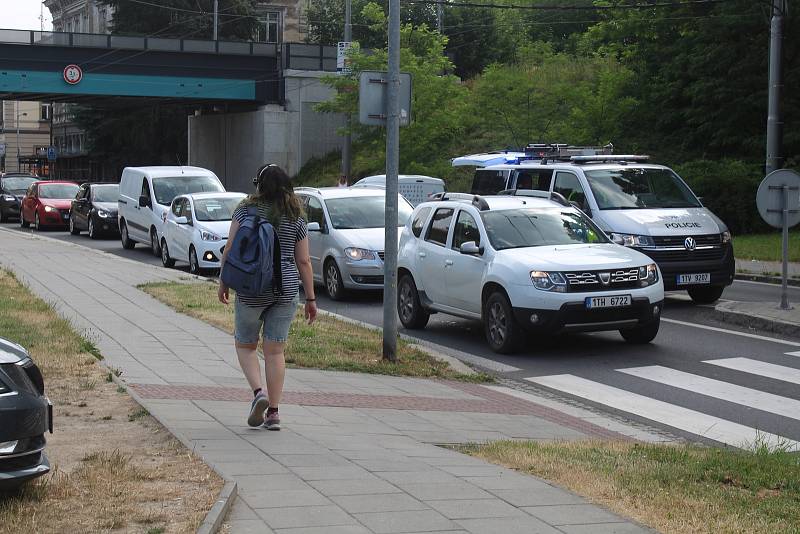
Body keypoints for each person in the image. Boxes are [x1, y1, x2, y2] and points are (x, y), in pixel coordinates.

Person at [218, 164, 317, 430]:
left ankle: (258, 393)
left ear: (259, 185)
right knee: (275, 352)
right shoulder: (296, 215)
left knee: (246, 345)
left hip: (251, 287)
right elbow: (304, 261)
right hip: (285, 290)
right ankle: (273, 413)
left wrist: (224, 282)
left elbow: (230, 248)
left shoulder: (244, 209)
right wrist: (311, 299)